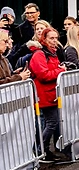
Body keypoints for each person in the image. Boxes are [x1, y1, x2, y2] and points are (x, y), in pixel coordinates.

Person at [29, 27, 66, 161]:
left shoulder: (52, 53)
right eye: (51, 38)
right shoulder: (40, 54)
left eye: (56, 38)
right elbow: (43, 75)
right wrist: (60, 70)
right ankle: (40, 149)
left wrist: (59, 69)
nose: (54, 41)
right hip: (44, 93)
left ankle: (42, 149)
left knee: (51, 122)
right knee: (51, 122)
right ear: (44, 39)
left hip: (51, 93)